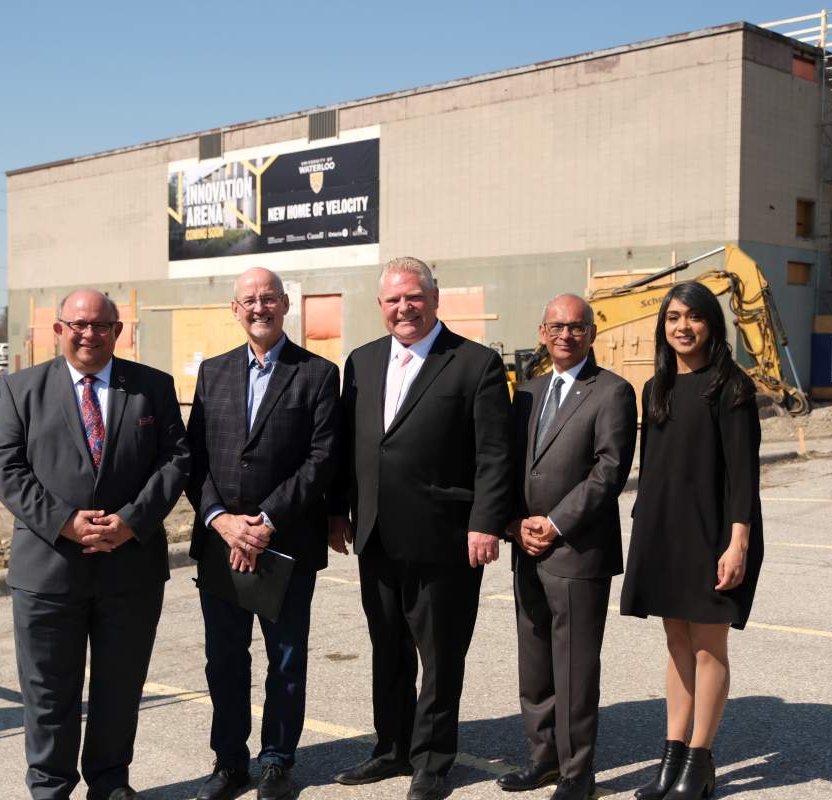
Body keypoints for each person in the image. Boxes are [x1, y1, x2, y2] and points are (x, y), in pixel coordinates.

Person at [0, 289, 190, 800]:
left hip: (131, 569)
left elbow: (176, 461)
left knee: (119, 690)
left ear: (117, 331)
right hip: (49, 571)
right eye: (78, 324)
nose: (89, 334)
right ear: (58, 330)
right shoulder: (22, 389)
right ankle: (50, 787)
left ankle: (110, 782)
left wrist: (130, 521)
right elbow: (4, 469)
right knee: (49, 693)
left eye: (101, 325)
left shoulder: (152, 387)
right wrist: (64, 523)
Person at [328, 256, 512, 800]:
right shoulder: (361, 362)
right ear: (381, 306)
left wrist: (486, 524)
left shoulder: (475, 363)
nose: (403, 308)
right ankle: (391, 748)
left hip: (445, 538)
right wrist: (338, 510)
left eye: (413, 297)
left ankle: (432, 761)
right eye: (393, 300)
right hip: (377, 535)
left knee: (439, 654)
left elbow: (494, 455)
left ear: (435, 299)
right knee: (387, 649)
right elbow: (349, 447)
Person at [185, 267, 340, 800]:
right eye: (249, 300)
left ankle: (277, 760)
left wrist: (266, 520)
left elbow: (322, 459)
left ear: (285, 305)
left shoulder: (318, 373)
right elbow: (194, 459)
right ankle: (230, 763)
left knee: (287, 659)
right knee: (224, 661)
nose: (259, 307)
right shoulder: (212, 372)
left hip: (285, 543)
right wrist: (222, 521)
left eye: (268, 298)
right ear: (235, 309)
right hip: (220, 545)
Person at [619, 281, 764, 800]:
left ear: (712, 324)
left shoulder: (731, 386)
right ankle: (672, 756)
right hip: (663, 532)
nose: (683, 326)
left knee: (708, 648)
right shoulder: (655, 388)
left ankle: (700, 762)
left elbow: (744, 476)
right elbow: (653, 469)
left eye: (695, 317)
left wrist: (738, 541)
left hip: (713, 535)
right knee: (676, 643)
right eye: (674, 316)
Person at [499, 294, 637, 800]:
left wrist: (553, 524)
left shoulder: (613, 392)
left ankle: (578, 774)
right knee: (534, 662)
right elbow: (510, 465)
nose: (565, 335)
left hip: (576, 550)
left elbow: (609, 472)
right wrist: (513, 524)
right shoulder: (527, 393)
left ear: (592, 333)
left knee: (575, 667)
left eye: (576, 327)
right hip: (524, 546)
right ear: (541, 332)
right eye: (556, 326)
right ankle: (542, 761)